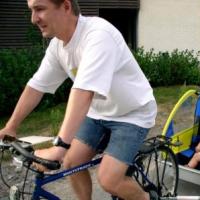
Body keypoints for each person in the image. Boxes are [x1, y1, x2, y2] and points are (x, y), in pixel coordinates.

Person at [0, 0, 158, 199]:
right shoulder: (58, 46)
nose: (33, 19)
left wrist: (60, 146)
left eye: (39, 9)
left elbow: (83, 92)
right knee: (72, 164)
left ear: (66, 6)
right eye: (31, 10)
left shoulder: (98, 35)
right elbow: (36, 86)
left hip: (132, 113)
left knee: (109, 179)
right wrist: (11, 126)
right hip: (98, 111)